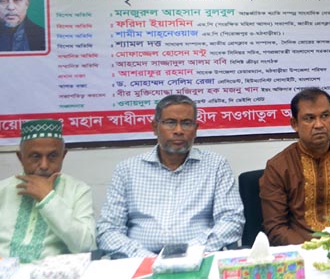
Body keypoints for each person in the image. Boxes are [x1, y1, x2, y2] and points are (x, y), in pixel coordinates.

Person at [96, 95, 244, 258]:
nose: (178, 130)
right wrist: (147, 258)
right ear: (155, 127)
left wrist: (186, 253)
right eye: (170, 122)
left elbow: (231, 221)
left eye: (186, 123)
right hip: (139, 260)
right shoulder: (127, 170)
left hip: (198, 257)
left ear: (196, 129)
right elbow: (108, 230)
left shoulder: (216, 166)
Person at [0, 120, 95, 263]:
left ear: (63, 156)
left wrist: (48, 199)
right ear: (21, 157)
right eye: (35, 156)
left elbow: (87, 247)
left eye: (53, 156)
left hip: (50, 272)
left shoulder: (78, 191)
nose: (44, 165)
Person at [260, 88, 330, 245]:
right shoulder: (278, 167)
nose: (319, 125)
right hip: (298, 252)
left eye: (325, 116)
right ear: (294, 124)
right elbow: (276, 228)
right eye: (309, 118)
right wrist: (311, 249)